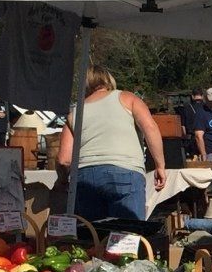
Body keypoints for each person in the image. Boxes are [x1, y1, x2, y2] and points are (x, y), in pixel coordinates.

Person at [53, 70, 168, 222]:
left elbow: (64, 160)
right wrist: (160, 165)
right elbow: (150, 128)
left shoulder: (75, 112)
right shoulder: (127, 98)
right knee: (127, 235)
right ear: (109, 81)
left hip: (85, 176)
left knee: (94, 238)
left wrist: (62, 180)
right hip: (125, 170)